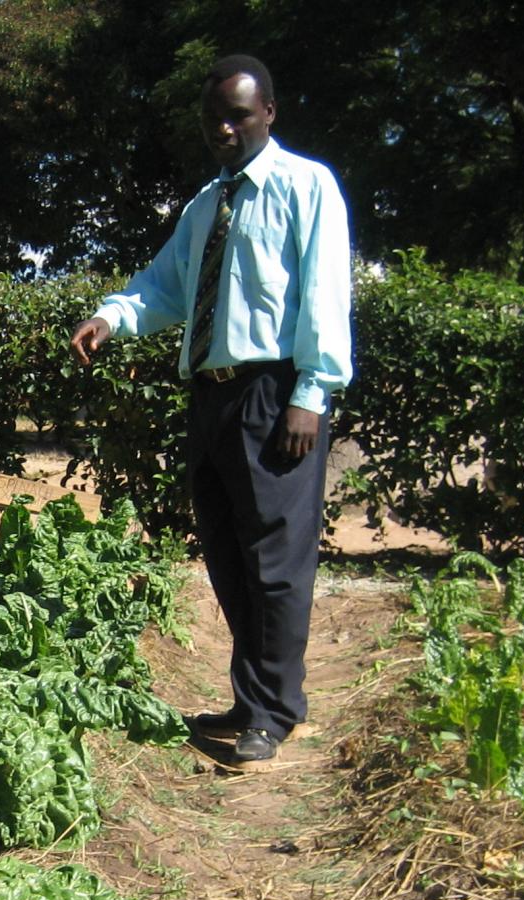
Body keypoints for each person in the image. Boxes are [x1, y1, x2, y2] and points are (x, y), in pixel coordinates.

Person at [69, 54, 352, 768]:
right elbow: (165, 286)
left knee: (276, 561)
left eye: (237, 114)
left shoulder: (305, 185)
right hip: (212, 395)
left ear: (270, 113)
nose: (222, 128)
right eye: (212, 119)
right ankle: (254, 695)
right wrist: (111, 319)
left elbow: (323, 294)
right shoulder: (207, 205)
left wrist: (310, 393)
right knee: (227, 552)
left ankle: (274, 710)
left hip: (274, 392)